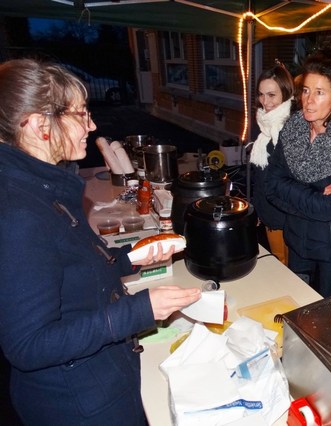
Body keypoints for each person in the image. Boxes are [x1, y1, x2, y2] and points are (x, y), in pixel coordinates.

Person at [0, 58, 202, 425]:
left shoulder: (38, 187)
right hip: (80, 404)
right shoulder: (18, 212)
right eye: (81, 114)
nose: (91, 125)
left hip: (95, 381)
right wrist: (141, 310)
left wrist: (128, 258)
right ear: (39, 124)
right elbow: (29, 345)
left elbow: (62, 268)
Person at [265, 53, 331, 297]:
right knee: (296, 303)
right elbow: (270, 185)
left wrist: (291, 190)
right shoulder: (292, 130)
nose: (308, 100)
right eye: (306, 90)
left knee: (326, 310)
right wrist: (313, 195)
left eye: (320, 92)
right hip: (296, 240)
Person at [250, 62, 295, 265]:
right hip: (270, 211)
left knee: (291, 269)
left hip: (289, 214)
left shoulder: (293, 126)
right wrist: (258, 208)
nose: (264, 101)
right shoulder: (265, 125)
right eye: (261, 94)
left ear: (285, 93)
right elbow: (262, 174)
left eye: (271, 95)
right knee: (278, 263)